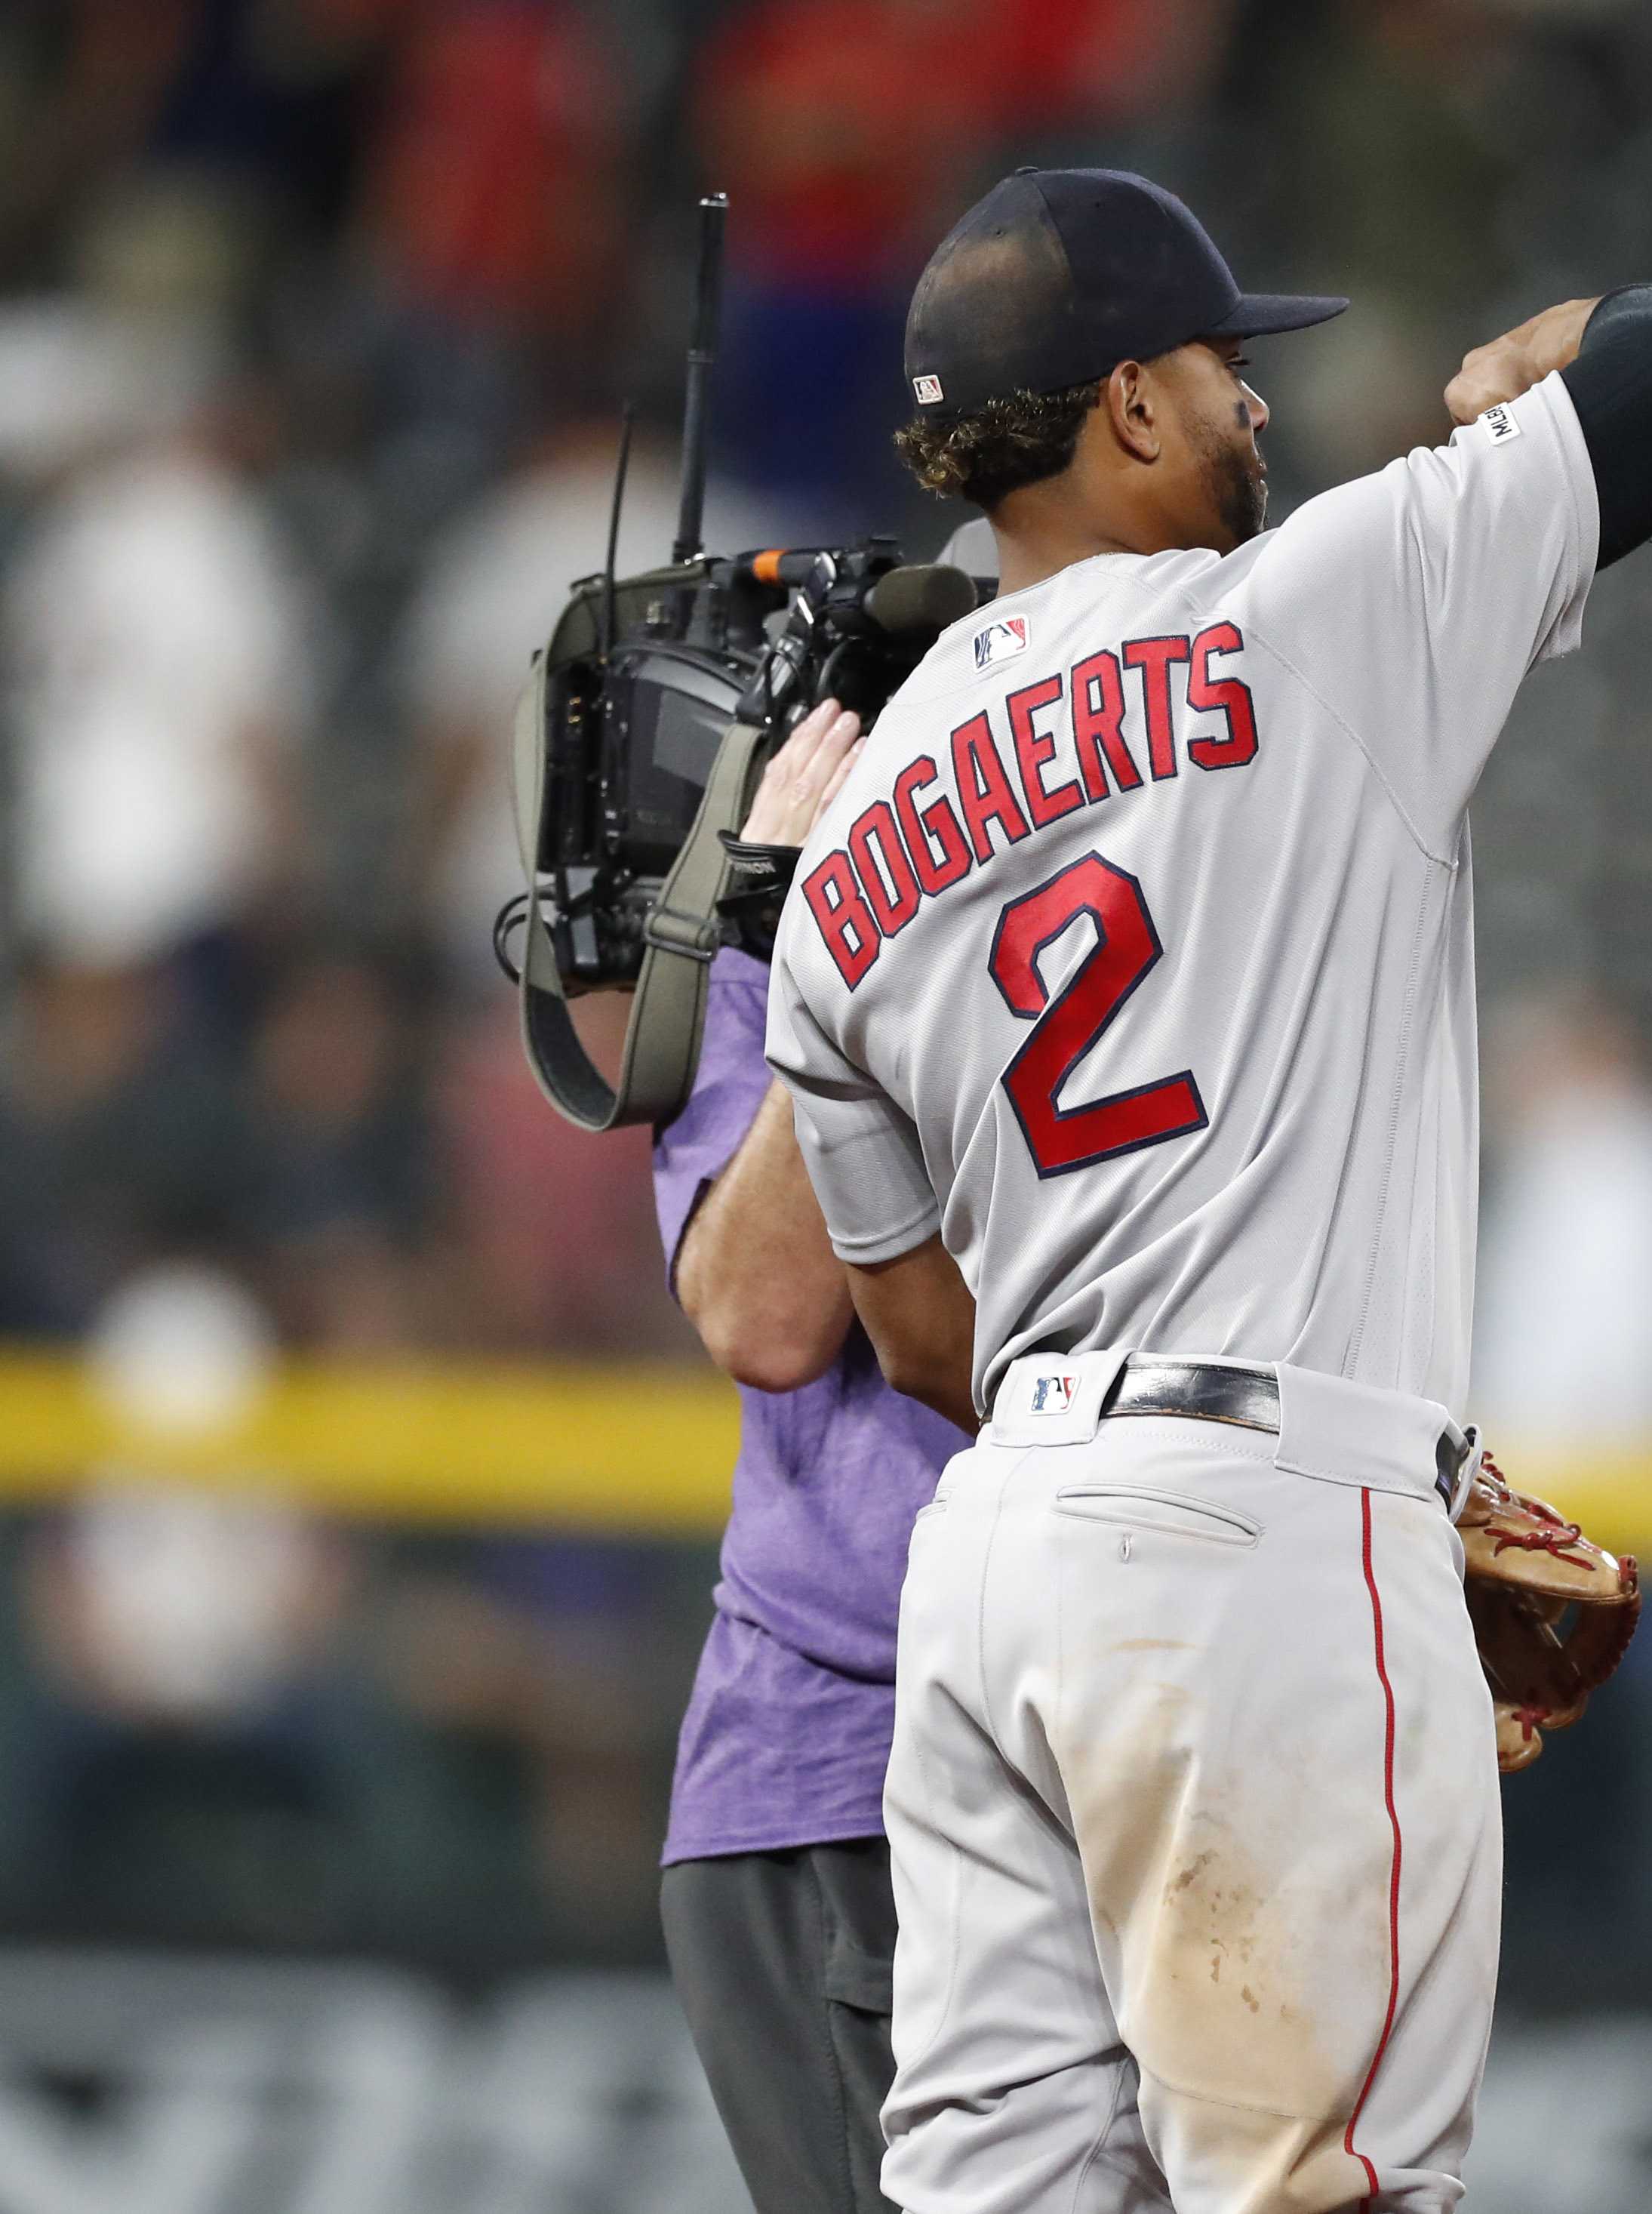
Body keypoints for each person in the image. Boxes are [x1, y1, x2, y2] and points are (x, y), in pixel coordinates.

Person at [761, 170, 1652, 2214]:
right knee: (1325, 2185)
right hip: (1265, 1516)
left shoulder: (848, 835)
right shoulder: (1308, 606)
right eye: (1231, 372)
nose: (1260, 412)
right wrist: (1523, 364)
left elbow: (912, 1335)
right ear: (1128, 405)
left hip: (996, 1562)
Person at [646, 699, 963, 2214]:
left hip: (1109, 1733)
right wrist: (836, 909)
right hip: (847, 1768)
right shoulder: (769, 941)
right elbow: (765, 1316)